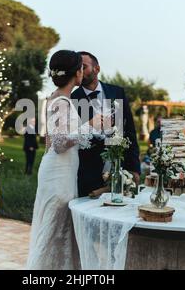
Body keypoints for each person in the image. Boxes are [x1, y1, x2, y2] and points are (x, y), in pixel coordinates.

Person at [27, 50, 101, 270]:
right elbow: (59, 143)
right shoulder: (61, 101)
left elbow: (53, 141)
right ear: (77, 72)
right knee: (53, 231)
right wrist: (92, 124)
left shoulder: (58, 97)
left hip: (61, 171)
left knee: (61, 233)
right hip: (58, 174)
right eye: (81, 68)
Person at [71, 51, 141, 197]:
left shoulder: (117, 92)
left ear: (97, 69)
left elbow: (129, 131)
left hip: (120, 168)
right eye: (78, 68)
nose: (80, 71)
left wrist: (134, 168)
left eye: (84, 66)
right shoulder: (72, 98)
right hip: (87, 173)